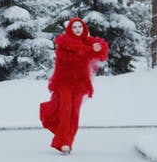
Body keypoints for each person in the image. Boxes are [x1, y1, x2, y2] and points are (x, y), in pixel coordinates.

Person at [40, 17, 109, 154]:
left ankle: (67, 142)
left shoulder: (87, 42)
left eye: (80, 27)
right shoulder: (64, 42)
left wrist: (98, 46)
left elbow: (101, 49)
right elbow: (74, 55)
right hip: (64, 82)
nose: (78, 30)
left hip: (80, 83)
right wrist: (91, 49)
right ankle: (63, 140)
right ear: (69, 29)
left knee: (74, 113)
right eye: (74, 27)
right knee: (65, 110)